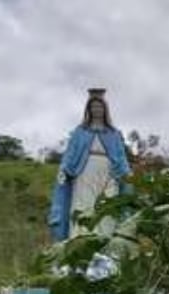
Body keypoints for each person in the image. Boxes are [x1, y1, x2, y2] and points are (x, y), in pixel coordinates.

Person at [47, 88, 132, 243]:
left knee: (107, 207)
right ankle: (79, 244)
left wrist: (126, 174)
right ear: (89, 110)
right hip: (84, 175)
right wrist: (64, 170)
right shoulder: (80, 132)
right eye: (93, 107)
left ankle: (104, 245)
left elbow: (120, 157)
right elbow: (70, 154)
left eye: (99, 107)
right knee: (83, 207)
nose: (96, 110)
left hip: (108, 175)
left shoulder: (113, 133)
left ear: (104, 109)